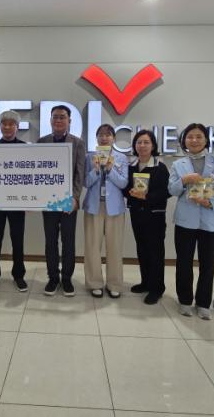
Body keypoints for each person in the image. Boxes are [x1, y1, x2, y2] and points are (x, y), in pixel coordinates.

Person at [169, 123, 214, 320]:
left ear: (206, 139)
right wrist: (184, 180)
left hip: (211, 221)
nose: (194, 140)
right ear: (184, 141)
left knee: (208, 264)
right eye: (190, 137)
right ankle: (185, 301)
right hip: (185, 220)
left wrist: (213, 202)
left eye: (199, 136)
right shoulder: (178, 164)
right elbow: (172, 190)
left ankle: (203, 303)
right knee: (184, 263)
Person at [38, 105, 85, 297]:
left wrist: (75, 198)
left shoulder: (78, 143)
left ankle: (66, 279)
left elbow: (79, 173)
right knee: (50, 241)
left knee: (68, 241)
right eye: (55, 117)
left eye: (62, 117)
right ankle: (52, 278)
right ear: (50, 120)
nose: (58, 120)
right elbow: (37, 172)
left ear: (69, 121)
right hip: (47, 202)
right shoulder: (42, 142)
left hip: (68, 202)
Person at [0, 110, 29, 294]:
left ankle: (19, 275)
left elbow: (30, 176)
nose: (7, 127)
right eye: (4, 124)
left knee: (18, 240)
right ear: (0, 126)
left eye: (11, 124)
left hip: (18, 203)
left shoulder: (26, 148)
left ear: (17, 127)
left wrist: (32, 199)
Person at [83, 124, 129, 298]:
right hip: (94, 207)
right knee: (92, 247)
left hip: (115, 208)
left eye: (108, 135)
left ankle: (114, 283)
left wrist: (110, 168)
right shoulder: (90, 157)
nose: (104, 138)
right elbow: (85, 183)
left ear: (113, 138)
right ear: (96, 138)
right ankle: (94, 282)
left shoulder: (121, 158)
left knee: (115, 247)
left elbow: (123, 183)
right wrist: (96, 170)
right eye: (100, 135)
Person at [125, 129, 170, 305]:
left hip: (154, 215)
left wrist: (147, 196)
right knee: (142, 249)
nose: (142, 146)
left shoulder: (160, 167)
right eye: (139, 142)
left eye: (146, 142)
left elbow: (167, 191)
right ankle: (145, 282)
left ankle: (157, 288)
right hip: (137, 213)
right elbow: (125, 187)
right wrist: (129, 192)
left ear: (153, 146)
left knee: (155, 252)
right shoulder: (132, 165)